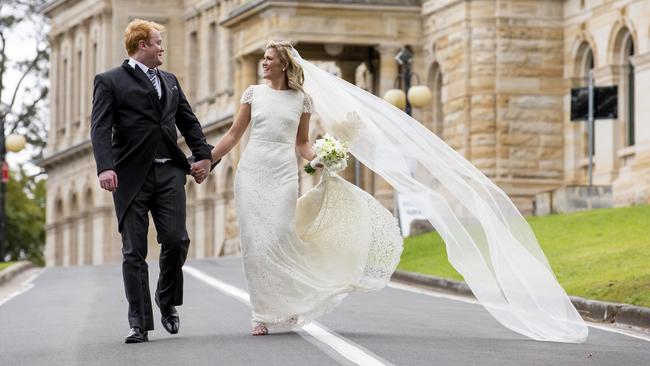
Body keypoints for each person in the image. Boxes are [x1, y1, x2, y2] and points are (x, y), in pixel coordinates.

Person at [201, 40, 403, 336]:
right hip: (252, 172)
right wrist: (207, 160)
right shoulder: (253, 94)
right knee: (255, 245)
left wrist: (319, 158)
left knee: (281, 235)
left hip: (283, 173)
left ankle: (291, 301)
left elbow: (302, 143)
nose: (264, 63)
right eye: (264, 58)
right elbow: (233, 134)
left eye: (270, 59)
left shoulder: (301, 100)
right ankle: (261, 313)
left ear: (284, 64)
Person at [90, 19, 216, 343]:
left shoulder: (170, 81)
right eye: (158, 42)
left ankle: (167, 300)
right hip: (130, 177)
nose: (163, 48)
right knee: (134, 251)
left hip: (170, 172)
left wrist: (204, 156)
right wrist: (105, 167)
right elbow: (100, 128)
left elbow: (188, 121)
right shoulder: (109, 81)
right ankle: (139, 323)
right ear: (141, 45)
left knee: (176, 240)